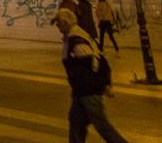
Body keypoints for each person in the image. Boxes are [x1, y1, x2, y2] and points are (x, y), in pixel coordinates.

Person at [52, 8, 127, 143]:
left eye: (58, 23)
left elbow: (89, 63)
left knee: (101, 125)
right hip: (82, 90)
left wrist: (87, 83)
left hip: (88, 92)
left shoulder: (77, 40)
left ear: (65, 22)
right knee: (76, 122)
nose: (57, 26)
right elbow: (101, 60)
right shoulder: (78, 36)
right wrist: (105, 82)